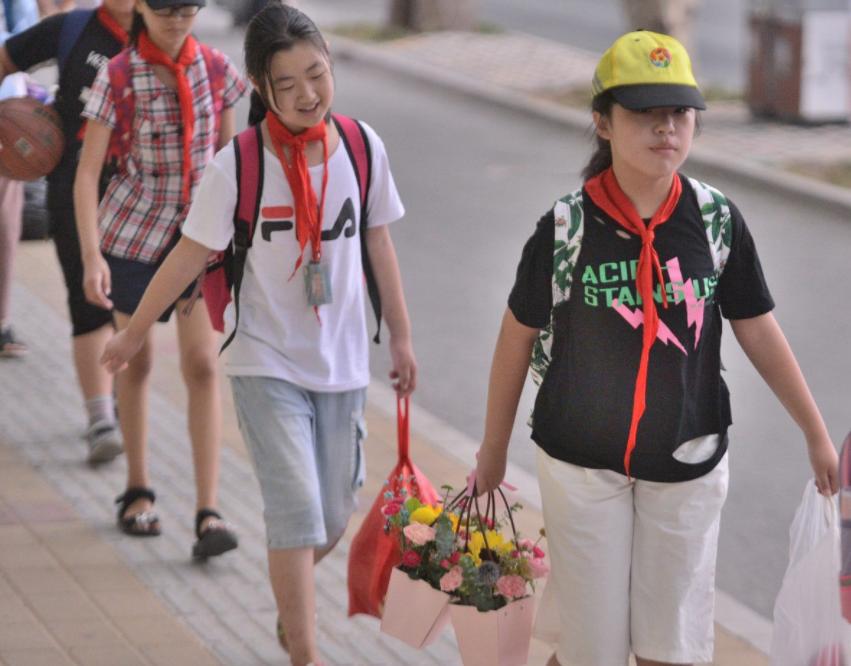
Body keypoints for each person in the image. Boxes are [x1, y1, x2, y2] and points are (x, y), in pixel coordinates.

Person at [474, 30, 839, 666]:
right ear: (603, 123)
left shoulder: (717, 219)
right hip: (581, 461)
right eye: (645, 113)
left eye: (678, 113)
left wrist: (815, 432)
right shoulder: (565, 227)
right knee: (594, 648)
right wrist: (493, 448)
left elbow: (756, 325)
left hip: (687, 458)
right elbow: (517, 336)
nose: (665, 128)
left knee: (669, 646)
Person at [101, 3, 415, 662]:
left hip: (342, 363)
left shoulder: (362, 147)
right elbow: (187, 254)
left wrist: (404, 340)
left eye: (316, 75)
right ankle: (305, 651)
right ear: (260, 88)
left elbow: (379, 243)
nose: (307, 95)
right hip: (263, 360)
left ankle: (287, 604)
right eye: (287, 84)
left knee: (331, 514)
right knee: (297, 510)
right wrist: (132, 335)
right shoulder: (237, 166)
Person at [73, 0, 246, 556]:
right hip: (132, 236)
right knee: (138, 359)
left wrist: (234, 245)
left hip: (196, 241)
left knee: (201, 365)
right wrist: (90, 256)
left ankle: (208, 510)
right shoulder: (118, 75)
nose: (177, 17)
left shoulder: (217, 68)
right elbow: (87, 174)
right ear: (141, 7)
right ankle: (137, 491)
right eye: (164, 6)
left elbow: (229, 164)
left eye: (189, 5)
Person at [0, 0, 134, 460]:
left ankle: (123, 405)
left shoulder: (164, 35)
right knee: (88, 300)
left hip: (143, 198)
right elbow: (6, 59)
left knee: (128, 306)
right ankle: (102, 418)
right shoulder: (73, 28)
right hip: (74, 188)